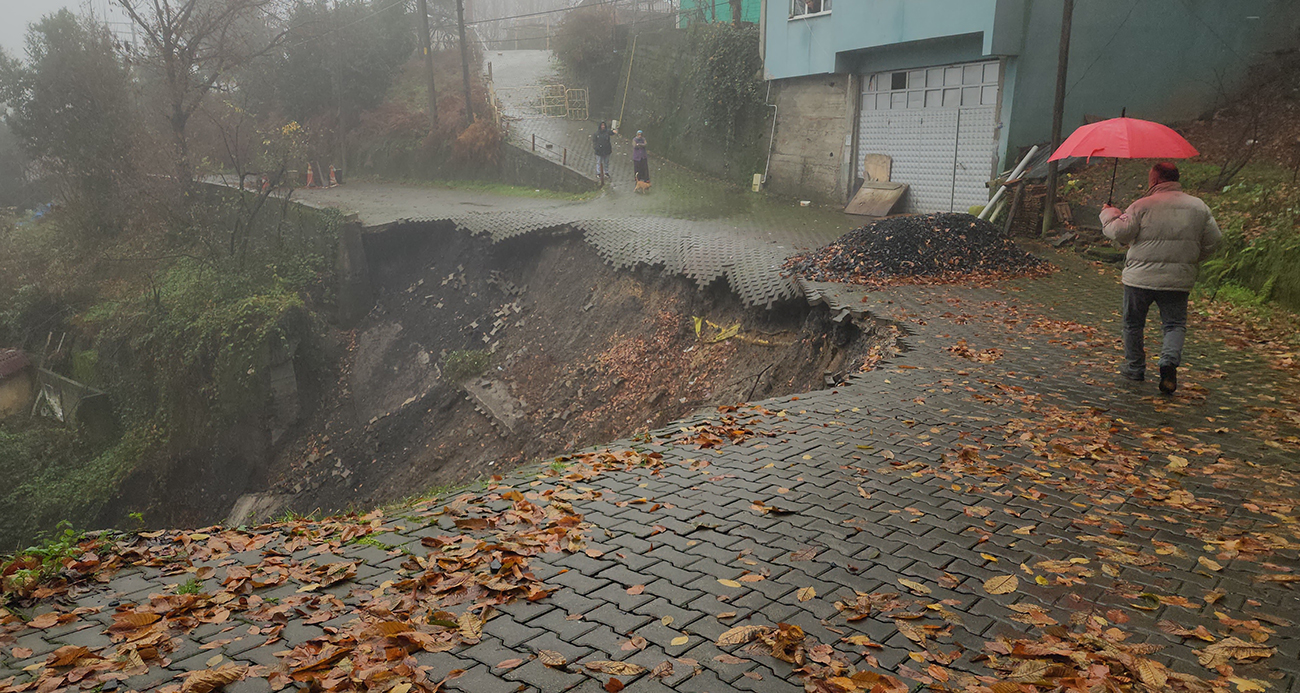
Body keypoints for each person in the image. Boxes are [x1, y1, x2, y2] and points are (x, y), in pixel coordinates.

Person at [1101, 162, 1222, 395]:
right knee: (1174, 325)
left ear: (1155, 180)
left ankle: (1135, 368)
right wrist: (1190, 258)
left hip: (1139, 279)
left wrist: (1109, 213)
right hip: (1178, 280)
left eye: (1149, 178)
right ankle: (1168, 363)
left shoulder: (1142, 205)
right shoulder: (1199, 207)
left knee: (1133, 323)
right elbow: (1214, 241)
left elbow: (1119, 233)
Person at [592, 121, 612, 185]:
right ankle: (599, 173)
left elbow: (611, 133)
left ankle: (606, 172)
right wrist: (596, 147)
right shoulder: (596, 134)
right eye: (602, 125)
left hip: (607, 150)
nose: (603, 127)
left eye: (604, 125)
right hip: (599, 151)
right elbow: (594, 142)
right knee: (599, 162)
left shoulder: (607, 132)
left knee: (606, 162)